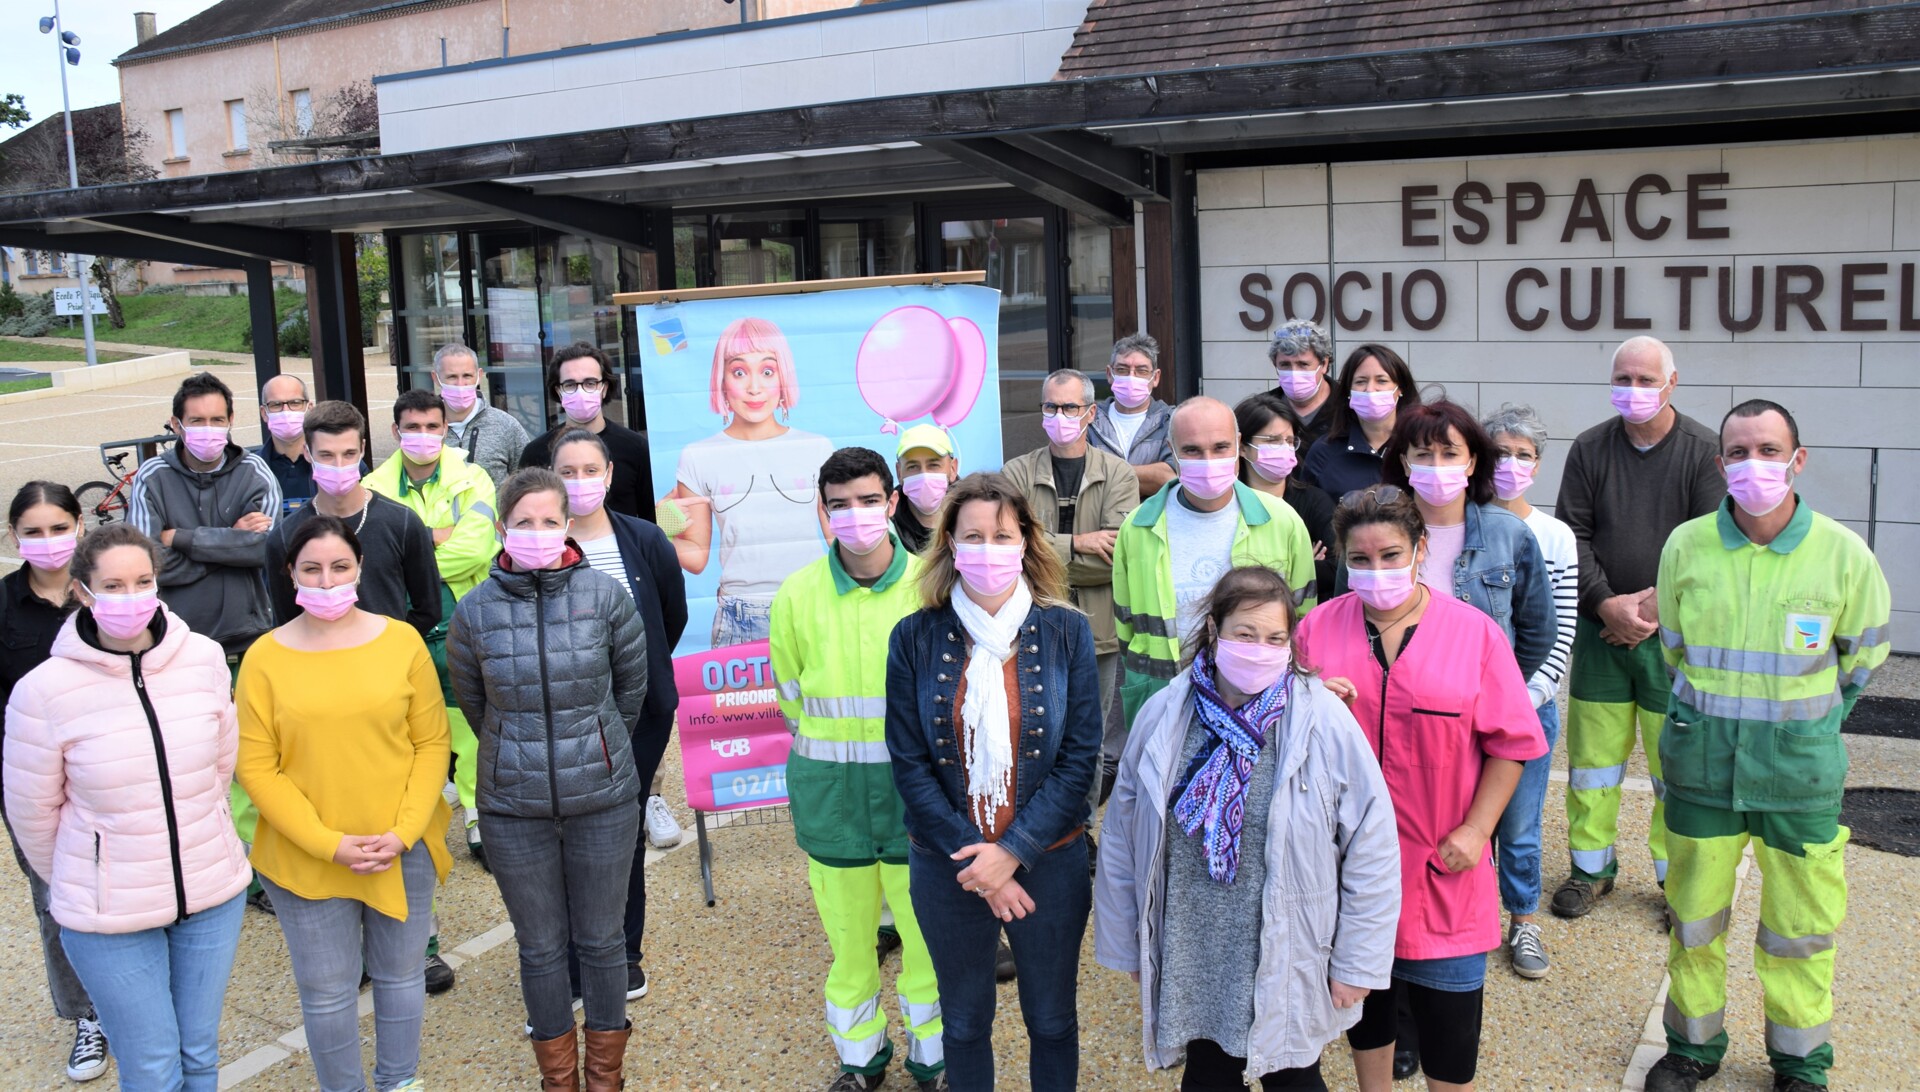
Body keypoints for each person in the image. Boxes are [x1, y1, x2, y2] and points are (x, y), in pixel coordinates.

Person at [1642, 400, 1889, 1092]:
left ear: (1797, 460)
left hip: (1799, 777)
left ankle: (1800, 1064)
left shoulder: (1843, 554)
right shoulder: (1686, 546)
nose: (1754, 464)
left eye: (1770, 450)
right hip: (1702, 770)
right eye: (1739, 452)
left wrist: (1805, 726)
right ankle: (1691, 1050)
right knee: (1694, 922)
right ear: (1720, 463)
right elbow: (1674, 650)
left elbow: (1861, 662)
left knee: (1799, 930)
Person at [1096, 565, 1399, 1091]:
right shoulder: (1166, 713)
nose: (1260, 649)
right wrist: (1131, 943)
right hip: (1194, 952)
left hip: (1283, 949)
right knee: (1207, 1076)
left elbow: (1371, 846)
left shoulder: (1323, 720)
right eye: (1245, 633)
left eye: (1275, 638)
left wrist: (1357, 962)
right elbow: (1124, 837)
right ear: (1214, 630)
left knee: (1294, 1080)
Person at [1293, 487, 1545, 1092]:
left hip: (1442, 867)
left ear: (1421, 549)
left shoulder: (1475, 634)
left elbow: (1512, 743)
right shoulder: (1316, 631)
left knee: (1450, 1035)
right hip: (1345, 871)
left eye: (1390, 555)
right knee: (1365, 1015)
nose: (1376, 570)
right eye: (1360, 559)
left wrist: (1477, 830)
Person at [3, 523, 253, 1091]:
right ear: (81, 591)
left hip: (209, 893)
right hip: (110, 915)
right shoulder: (42, 692)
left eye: (142, 581)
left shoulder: (204, 659)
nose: (131, 596)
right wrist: (93, 871)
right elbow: (34, 817)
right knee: (152, 1067)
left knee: (199, 1053)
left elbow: (218, 768)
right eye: (112, 586)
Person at [885, 472, 1100, 1092]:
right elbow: (910, 764)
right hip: (947, 865)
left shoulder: (1067, 632)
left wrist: (1010, 854)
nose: (987, 549)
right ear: (950, 544)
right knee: (963, 1024)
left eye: (1002, 535)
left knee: (1052, 1022)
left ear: (1026, 541)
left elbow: (1079, 758)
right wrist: (979, 864)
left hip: (1050, 862)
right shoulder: (913, 637)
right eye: (973, 536)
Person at [237, 516, 453, 1092]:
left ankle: (399, 1081)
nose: (327, 580)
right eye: (312, 569)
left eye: (339, 566)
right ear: (290, 574)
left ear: (360, 568)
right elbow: (257, 767)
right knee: (328, 993)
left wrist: (404, 831)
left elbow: (432, 743)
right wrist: (327, 844)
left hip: (400, 845)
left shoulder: (402, 641)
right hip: (307, 855)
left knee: (401, 975)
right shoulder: (264, 657)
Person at [448, 468, 647, 1091]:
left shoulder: (605, 596)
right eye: (523, 522)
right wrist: (516, 752)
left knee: (602, 941)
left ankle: (605, 1079)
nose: (537, 532)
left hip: (602, 799)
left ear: (567, 524)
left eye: (549, 521)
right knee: (538, 947)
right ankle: (559, 1081)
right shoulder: (474, 611)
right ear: (502, 527)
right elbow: (475, 703)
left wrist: (597, 748)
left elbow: (630, 690)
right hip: (514, 805)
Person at [769, 446, 945, 1092]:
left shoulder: (931, 589)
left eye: (869, 500)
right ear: (823, 511)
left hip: (917, 808)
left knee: (928, 948)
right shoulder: (797, 594)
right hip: (834, 806)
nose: (855, 515)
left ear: (893, 503)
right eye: (839, 505)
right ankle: (860, 1062)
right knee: (850, 951)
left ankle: (934, 1062)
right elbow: (792, 698)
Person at [265, 400, 456, 995]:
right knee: (334, 814)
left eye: (349, 453)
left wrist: (387, 655)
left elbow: (426, 604)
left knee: (405, 813)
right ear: (308, 454)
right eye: (326, 455)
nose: (338, 464)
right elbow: (282, 618)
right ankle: (350, 947)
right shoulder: (285, 535)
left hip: (388, 695)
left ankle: (419, 945)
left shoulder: (400, 523)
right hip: (318, 704)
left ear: (364, 450)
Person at [1551, 336, 1725, 919]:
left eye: (1646, 380)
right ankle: (1589, 871)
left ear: (1672, 383)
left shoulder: (1703, 452)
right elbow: (1572, 534)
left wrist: (1648, 613)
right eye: (1623, 378)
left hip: (1671, 642)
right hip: (1599, 636)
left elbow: (1706, 546)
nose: (1634, 389)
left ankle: (1677, 884)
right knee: (1591, 764)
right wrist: (1606, 605)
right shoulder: (1590, 448)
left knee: (1673, 768)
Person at [551, 428, 690, 995]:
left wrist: (636, 678)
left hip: (638, 714)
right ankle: (568, 957)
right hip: (563, 718)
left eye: (591, 470)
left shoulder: (645, 538)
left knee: (623, 829)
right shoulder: (537, 543)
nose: (579, 481)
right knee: (564, 834)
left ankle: (623, 951)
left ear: (609, 476)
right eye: (567, 471)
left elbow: (670, 617)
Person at [1112, 396, 1318, 729]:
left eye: (1220, 447)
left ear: (1238, 445)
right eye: (1192, 450)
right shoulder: (1136, 528)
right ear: (1172, 450)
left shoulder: (1282, 521)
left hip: (1262, 707)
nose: (1208, 461)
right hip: (1162, 702)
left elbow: (1304, 624)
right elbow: (1126, 629)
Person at [1, 482, 107, 1083]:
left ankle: (135, 999)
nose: (48, 541)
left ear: (80, 526)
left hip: (112, 777)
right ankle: (86, 1015)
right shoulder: (3, 607)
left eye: (59, 527)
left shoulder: (107, 594)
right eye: (33, 532)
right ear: (14, 537)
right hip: (37, 787)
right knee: (56, 901)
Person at [368, 388, 498, 875]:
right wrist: (435, 537)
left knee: (475, 729)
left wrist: (409, 552)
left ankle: (480, 823)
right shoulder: (372, 486)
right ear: (396, 431)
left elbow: (475, 551)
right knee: (406, 732)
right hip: (403, 624)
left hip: (463, 619)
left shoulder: (473, 478)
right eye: (412, 428)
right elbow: (373, 562)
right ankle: (413, 826)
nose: (423, 436)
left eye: (432, 427)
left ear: (446, 430)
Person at [1002, 368, 1139, 819]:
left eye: (1069, 407)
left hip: (1098, 631)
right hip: (1029, 624)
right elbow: (1013, 552)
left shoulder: (1118, 474)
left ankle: (1081, 827)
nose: (1059, 416)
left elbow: (1117, 558)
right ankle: (1034, 823)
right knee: (1033, 730)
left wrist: (1044, 551)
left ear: (1090, 413)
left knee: (1088, 737)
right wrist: (1080, 543)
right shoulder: (1017, 472)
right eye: (1051, 407)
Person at [662, 317, 835, 645]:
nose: (754, 387)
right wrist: (659, 529)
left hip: (813, 608)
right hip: (739, 618)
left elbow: (837, 540)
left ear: (783, 378)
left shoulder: (817, 448)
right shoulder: (698, 456)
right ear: (722, 380)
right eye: (739, 372)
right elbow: (696, 558)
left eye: (767, 371)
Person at [1482, 403, 1579, 981]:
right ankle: (1465, 923)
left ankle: (1523, 922)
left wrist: (1528, 694)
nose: (1511, 464)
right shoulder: (1469, 525)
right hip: (1465, 709)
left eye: (1523, 455)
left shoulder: (1554, 535)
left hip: (1527, 710)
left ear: (1538, 464)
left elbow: (1560, 628)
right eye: (1501, 453)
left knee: (1520, 828)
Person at [127, 370, 281, 667]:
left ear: (231, 420)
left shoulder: (255, 472)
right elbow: (145, 565)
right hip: (175, 640)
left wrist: (181, 538)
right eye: (197, 421)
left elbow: (265, 549)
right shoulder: (152, 477)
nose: (208, 429)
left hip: (246, 638)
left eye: (217, 420)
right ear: (177, 424)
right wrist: (231, 542)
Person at [520, 343, 653, 520]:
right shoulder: (535, 452)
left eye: (590, 383)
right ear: (558, 391)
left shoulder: (636, 448)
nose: (581, 391)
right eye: (570, 384)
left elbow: (650, 517)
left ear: (604, 388)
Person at [1234, 393, 1335, 602]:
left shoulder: (1314, 501)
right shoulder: (1228, 503)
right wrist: (1301, 564)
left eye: (1289, 441)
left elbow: (1336, 568)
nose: (1283, 448)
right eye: (1272, 440)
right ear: (1242, 447)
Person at [1299, 345, 1419, 498]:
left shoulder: (1418, 446)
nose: (1370, 389)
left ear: (1400, 389)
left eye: (1381, 381)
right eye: (1361, 381)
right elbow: (1308, 507)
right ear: (1348, 391)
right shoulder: (1324, 452)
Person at [1088, 333, 1178, 500]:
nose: (1131, 377)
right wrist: (1147, 476)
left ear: (1155, 377)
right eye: (1122, 370)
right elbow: (1080, 476)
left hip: (1150, 516)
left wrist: (1104, 474)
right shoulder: (1089, 420)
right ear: (1109, 374)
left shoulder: (1171, 421)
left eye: (1141, 371)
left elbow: (1169, 479)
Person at [436, 342, 531, 488]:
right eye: (452, 377)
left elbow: (529, 481)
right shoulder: (426, 430)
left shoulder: (506, 426)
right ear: (436, 378)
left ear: (479, 376)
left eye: (467, 375)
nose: (460, 384)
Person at [1264, 319, 1339, 455]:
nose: (1294, 373)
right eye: (1285, 365)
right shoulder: (1260, 409)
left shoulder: (1350, 407)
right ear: (1275, 365)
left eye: (1303, 364)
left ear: (1324, 364)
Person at [893, 424, 961, 555]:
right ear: (899, 472)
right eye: (913, 467)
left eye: (933, 465)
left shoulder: (974, 517)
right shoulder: (886, 526)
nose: (924, 475)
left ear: (953, 468)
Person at [257, 374, 317, 518]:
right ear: (264, 413)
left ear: (310, 408)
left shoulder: (337, 464)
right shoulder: (250, 470)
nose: (286, 411)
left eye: (295, 403)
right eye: (276, 405)